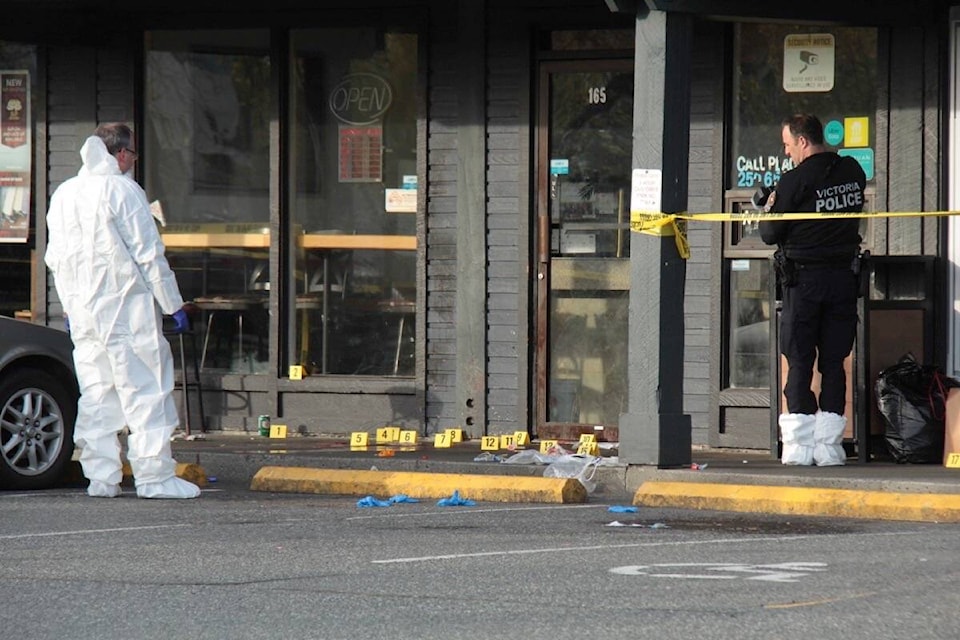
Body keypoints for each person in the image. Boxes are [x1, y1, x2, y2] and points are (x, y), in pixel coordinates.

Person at [44, 123, 201, 498]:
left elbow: (57, 259)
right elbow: (148, 254)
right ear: (121, 153)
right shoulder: (123, 191)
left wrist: (68, 308)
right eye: (132, 154)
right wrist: (173, 304)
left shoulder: (64, 194)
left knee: (97, 391)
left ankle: (101, 477)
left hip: (84, 313)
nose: (132, 161)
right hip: (126, 309)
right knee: (145, 388)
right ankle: (154, 477)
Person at [759, 114, 866, 467]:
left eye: (789, 145)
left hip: (803, 282)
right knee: (835, 360)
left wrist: (773, 204)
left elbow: (770, 234)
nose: (787, 152)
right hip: (842, 281)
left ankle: (800, 447)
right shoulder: (852, 171)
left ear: (803, 142)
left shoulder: (794, 180)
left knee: (800, 357)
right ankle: (830, 446)